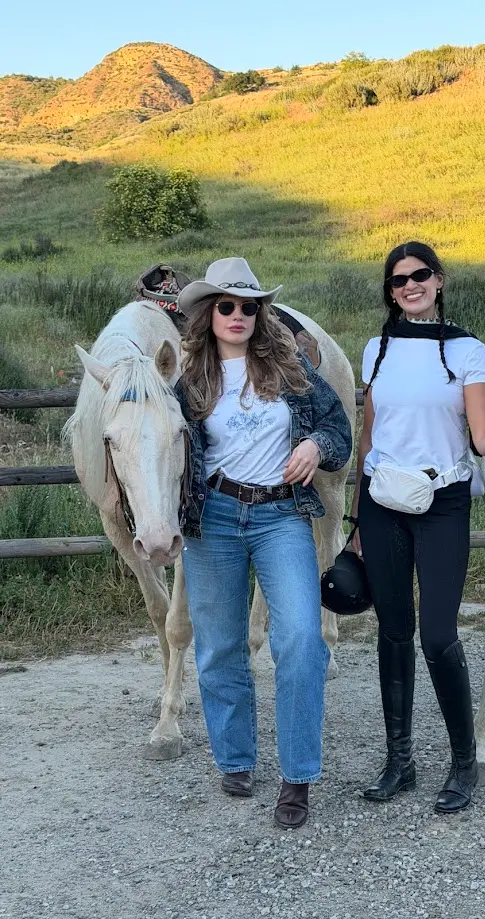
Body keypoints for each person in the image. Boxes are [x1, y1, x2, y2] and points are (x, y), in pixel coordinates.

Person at [175, 257, 352, 829]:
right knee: (221, 644)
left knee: (302, 638)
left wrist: (315, 447)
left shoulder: (291, 367)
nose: (238, 315)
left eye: (248, 306)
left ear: (260, 312)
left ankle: (298, 776)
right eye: (226, 306)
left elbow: (339, 430)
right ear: (208, 313)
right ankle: (235, 760)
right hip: (217, 516)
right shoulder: (189, 380)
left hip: (280, 514)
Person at [350, 241, 485, 814]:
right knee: (393, 630)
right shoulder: (377, 348)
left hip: (443, 499)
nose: (409, 287)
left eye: (419, 276)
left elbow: (481, 431)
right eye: (398, 281)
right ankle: (400, 760)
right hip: (382, 501)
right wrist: (355, 523)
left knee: (438, 634)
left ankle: (464, 762)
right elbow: (369, 436)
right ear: (390, 291)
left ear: (439, 280)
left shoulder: (467, 350)